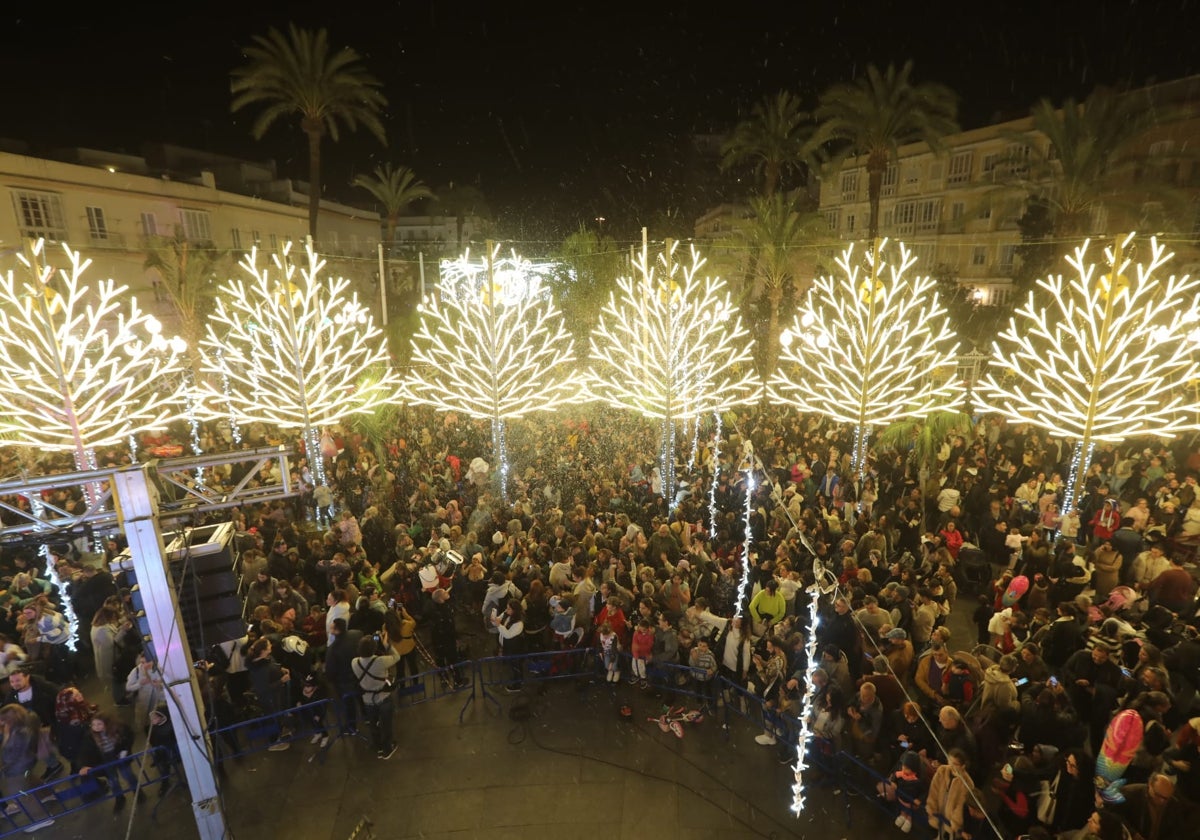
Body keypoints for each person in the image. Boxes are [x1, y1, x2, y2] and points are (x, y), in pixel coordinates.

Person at [77, 712, 142, 813]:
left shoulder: (119, 729)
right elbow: (85, 751)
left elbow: (129, 736)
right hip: (105, 759)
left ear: (107, 723)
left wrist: (125, 749)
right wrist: (84, 765)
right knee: (113, 780)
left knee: (128, 775)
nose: (96, 727)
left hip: (120, 756)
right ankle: (119, 798)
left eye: (99, 724)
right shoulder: (90, 737)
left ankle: (138, 792)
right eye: (93, 725)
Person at [350, 631, 399, 759]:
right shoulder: (380, 661)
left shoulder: (354, 662)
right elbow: (396, 657)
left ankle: (378, 748)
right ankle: (387, 749)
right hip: (382, 697)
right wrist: (386, 644)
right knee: (386, 724)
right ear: (374, 648)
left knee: (373, 724)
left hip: (367, 700)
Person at [925, 747, 974, 837]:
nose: (951, 766)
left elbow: (961, 805)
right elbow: (934, 789)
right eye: (950, 762)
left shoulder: (968, 783)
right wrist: (931, 806)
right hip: (939, 809)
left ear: (963, 766)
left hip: (951, 818)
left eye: (955, 764)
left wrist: (955, 822)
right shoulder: (942, 770)